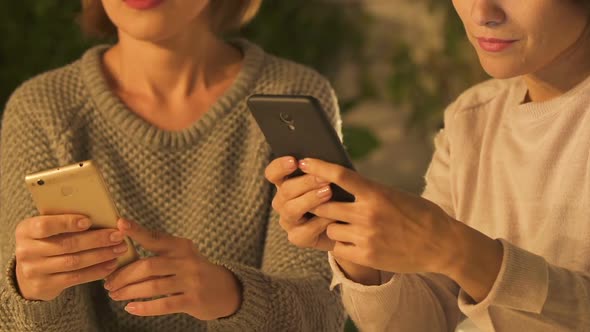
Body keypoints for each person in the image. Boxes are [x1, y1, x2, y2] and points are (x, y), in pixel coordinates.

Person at [0, 0, 345, 331]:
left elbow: (322, 314)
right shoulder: (42, 110)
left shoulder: (292, 98)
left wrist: (232, 296)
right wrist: (32, 295)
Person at [265, 0, 590, 330]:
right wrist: (357, 250)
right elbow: (424, 321)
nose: (482, 14)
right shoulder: (472, 117)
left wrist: (457, 250)